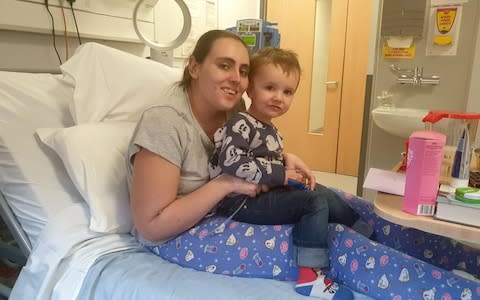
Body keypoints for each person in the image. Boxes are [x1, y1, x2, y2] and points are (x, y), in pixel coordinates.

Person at [207, 47, 373, 300]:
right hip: (238, 203)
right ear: (250, 88)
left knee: (320, 191)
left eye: (287, 92)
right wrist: (282, 175)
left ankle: (365, 239)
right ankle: (310, 276)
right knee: (313, 202)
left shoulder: (273, 131)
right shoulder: (240, 123)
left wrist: (287, 174)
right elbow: (232, 161)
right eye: (270, 88)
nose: (278, 97)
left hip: (262, 194)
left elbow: (267, 163)